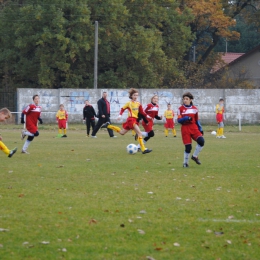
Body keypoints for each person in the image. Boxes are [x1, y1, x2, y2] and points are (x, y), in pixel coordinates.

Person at [103, 88, 152, 154]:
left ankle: (108, 125)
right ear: (131, 96)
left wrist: (148, 116)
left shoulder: (138, 103)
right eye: (134, 95)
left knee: (122, 133)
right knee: (139, 133)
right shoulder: (129, 103)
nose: (135, 97)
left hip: (134, 120)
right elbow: (122, 109)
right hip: (131, 120)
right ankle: (143, 149)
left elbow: (142, 112)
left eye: (137, 95)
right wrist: (120, 115)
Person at [177, 92, 205, 167]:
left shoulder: (195, 109)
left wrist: (200, 128)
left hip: (193, 127)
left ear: (191, 100)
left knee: (201, 141)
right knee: (188, 147)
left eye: (187, 99)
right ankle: (185, 163)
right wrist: (186, 118)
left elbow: (196, 120)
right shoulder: (180, 109)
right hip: (185, 128)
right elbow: (179, 120)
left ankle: (195, 156)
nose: (185, 100)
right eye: (184, 99)